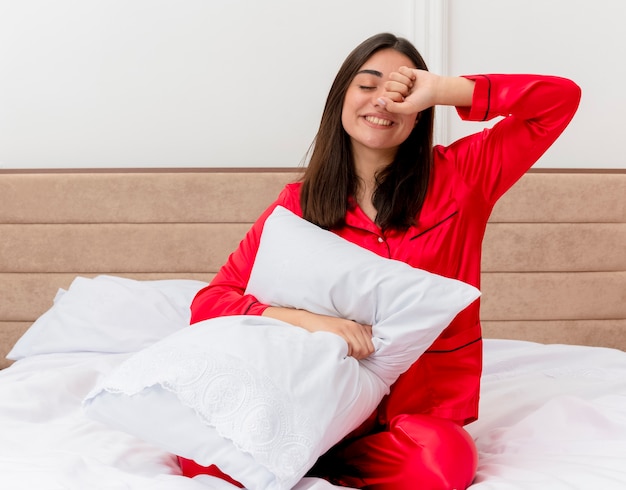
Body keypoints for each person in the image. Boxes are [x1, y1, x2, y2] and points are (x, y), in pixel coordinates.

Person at [178, 33, 581, 489]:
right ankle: (309, 446)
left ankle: (322, 460)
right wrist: (308, 321)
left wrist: (446, 89)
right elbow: (210, 302)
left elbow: (558, 100)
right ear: (341, 99)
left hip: (416, 411)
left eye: (402, 90)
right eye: (367, 86)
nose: (383, 102)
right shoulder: (296, 206)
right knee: (201, 462)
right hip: (318, 396)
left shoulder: (465, 176)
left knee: (443, 464)